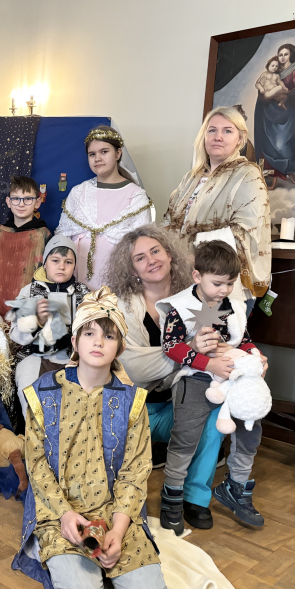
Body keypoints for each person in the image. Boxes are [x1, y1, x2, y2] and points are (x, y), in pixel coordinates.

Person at [12, 287, 168, 589]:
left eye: (108, 336)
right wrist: (64, 515)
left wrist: (118, 531)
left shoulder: (132, 401)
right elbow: (36, 465)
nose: (98, 342)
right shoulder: (44, 393)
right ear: (75, 341)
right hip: (60, 511)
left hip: (114, 511)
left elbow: (135, 472)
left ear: (119, 347)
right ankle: (55, 549)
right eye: (89, 333)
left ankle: (106, 559)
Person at [107, 224, 225, 530]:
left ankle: (194, 498)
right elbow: (131, 367)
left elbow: (221, 348)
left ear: (170, 254)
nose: (151, 261)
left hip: (181, 404)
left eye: (156, 251)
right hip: (136, 409)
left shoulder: (199, 298)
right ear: (132, 269)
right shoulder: (121, 307)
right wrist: (190, 352)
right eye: (140, 258)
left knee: (213, 414)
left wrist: (250, 356)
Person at [156, 241, 267, 534]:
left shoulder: (235, 306)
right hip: (195, 377)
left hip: (234, 377)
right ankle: (172, 494)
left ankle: (237, 485)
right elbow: (171, 347)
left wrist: (256, 356)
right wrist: (208, 364)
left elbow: (243, 340)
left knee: (251, 425)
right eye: (217, 283)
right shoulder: (181, 306)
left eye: (230, 283)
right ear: (197, 276)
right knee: (186, 436)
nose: (224, 290)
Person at [164, 106, 272, 313]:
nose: (218, 137)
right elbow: (169, 221)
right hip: (183, 277)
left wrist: (193, 255)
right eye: (212, 130)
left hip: (223, 282)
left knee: (214, 335)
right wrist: (169, 255)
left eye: (227, 131)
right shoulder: (190, 178)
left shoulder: (247, 174)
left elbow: (244, 232)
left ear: (240, 139)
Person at [55, 126, 154, 288]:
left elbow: (142, 244)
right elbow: (63, 235)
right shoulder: (79, 192)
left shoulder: (135, 196)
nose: (97, 158)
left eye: (104, 152)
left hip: (118, 279)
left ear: (118, 153)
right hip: (78, 277)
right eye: (92, 154)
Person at [10, 235, 90, 415]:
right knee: (32, 398)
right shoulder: (29, 291)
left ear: (74, 266)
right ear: (45, 263)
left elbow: (93, 331)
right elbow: (15, 333)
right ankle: (36, 432)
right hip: (35, 355)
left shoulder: (84, 293)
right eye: (55, 261)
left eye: (68, 262)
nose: (62, 266)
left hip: (73, 357)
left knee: (76, 403)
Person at [0, 175, 51, 318]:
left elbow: (48, 275)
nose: (21, 204)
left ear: (37, 202)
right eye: (16, 198)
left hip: (27, 309)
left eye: (28, 199)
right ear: (8, 202)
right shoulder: (0, 233)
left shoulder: (43, 235)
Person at [253, 44, 295, 188]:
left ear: (290, 55)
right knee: (266, 142)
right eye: (280, 54)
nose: (282, 57)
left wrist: (285, 95)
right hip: (267, 110)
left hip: (286, 111)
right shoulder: (275, 69)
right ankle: (273, 173)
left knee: (282, 144)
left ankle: (289, 170)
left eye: (285, 54)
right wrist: (263, 93)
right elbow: (261, 84)